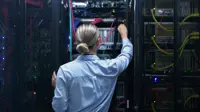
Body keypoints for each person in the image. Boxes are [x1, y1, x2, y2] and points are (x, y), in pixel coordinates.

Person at [52, 24, 133, 112]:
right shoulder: (111, 67)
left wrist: (58, 87)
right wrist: (124, 35)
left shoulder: (65, 71)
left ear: (77, 42)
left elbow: (59, 109)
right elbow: (126, 55)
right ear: (99, 42)